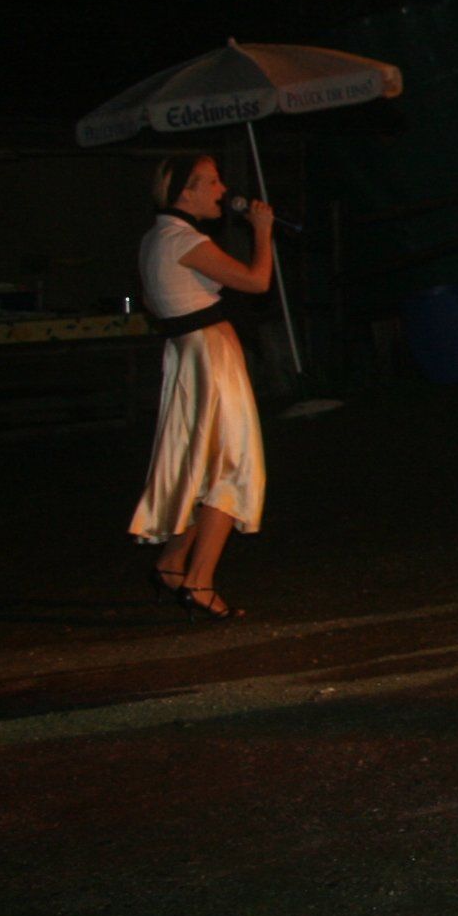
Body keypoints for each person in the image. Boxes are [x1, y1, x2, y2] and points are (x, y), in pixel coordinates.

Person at [131, 154, 273, 619]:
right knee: (232, 463)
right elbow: (256, 281)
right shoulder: (184, 240)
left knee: (202, 463)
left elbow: (154, 302)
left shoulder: (154, 239)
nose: (221, 190)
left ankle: (173, 564)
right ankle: (200, 581)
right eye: (211, 182)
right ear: (186, 192)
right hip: (209, 357)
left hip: (186, 354)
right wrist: (263, 232)